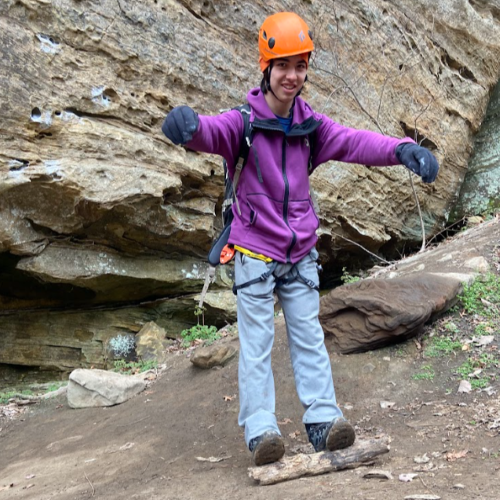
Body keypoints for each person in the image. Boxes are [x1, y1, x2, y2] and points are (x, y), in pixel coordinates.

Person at [162, 12, 439, 466]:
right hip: (254, 251)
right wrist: (188, 128)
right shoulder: (244, 124)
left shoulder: (312, 127)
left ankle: (323, 423)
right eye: (283, 65)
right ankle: (261, 430)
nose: (292, 76)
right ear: (265, 67)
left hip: (300, 253)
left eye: (300, 66)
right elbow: (211, 131)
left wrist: (401, 149)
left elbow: (354, 142)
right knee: (256, 343)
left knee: (309, 336)